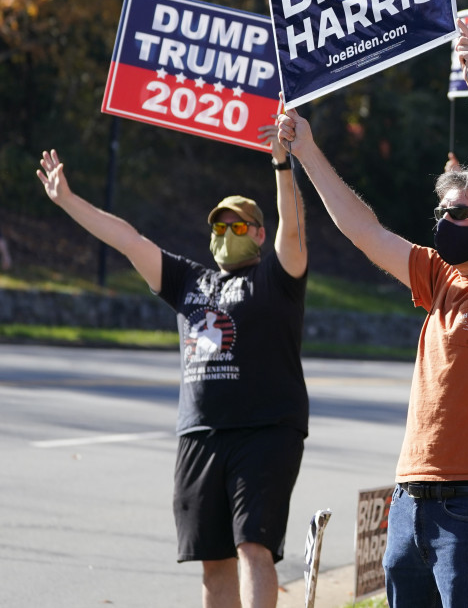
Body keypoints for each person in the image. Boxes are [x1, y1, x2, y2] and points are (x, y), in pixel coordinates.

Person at [276, 18, 468, 608]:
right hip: (409, 501)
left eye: (460, 213)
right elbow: (362, 229)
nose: (445, 222)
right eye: (443, 212)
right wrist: (304, 147)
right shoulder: (438, 276)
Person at [36, 125, 308, 608]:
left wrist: (282, 166)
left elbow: (294, 228)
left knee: (253, 546)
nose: (226, 234)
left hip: (266, 431)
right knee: (213, 561)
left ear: (259, 234)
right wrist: (67, 202)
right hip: (199, 434)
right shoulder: (186, 280)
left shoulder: (277, 278)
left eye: (238, 226)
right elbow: (128, 239)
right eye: (219, 227)